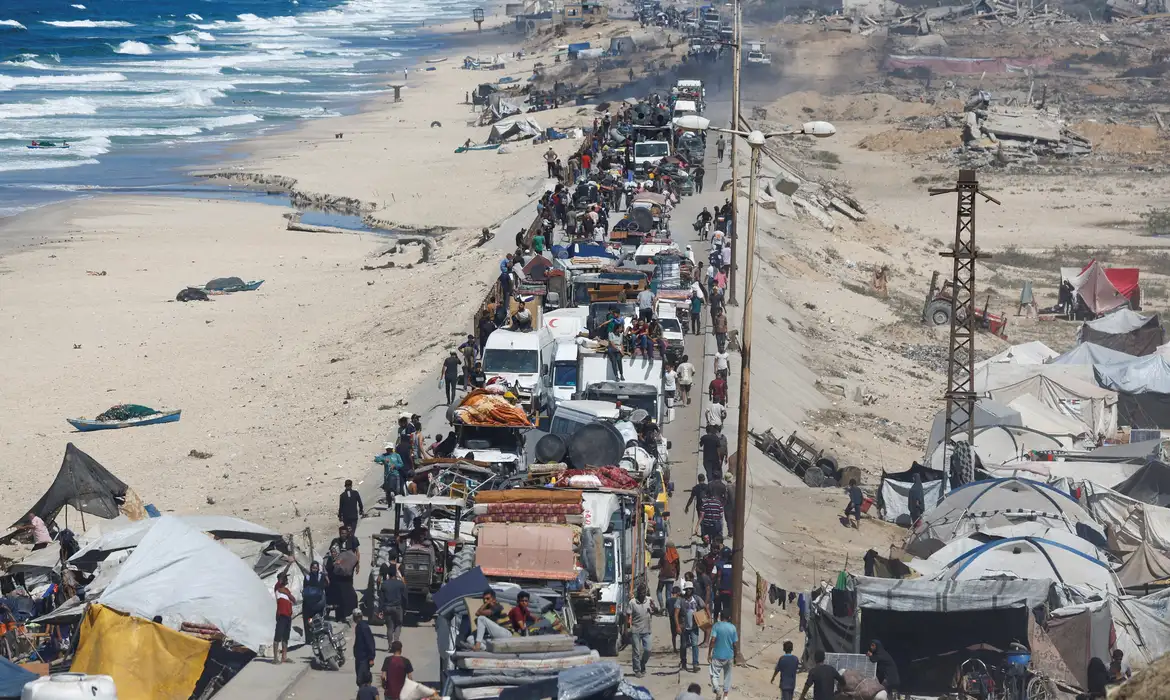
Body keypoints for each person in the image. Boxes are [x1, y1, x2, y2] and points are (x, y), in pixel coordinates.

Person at [329, 525, 361, 621]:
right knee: (338, 595)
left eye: (344, 533)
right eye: (341, 533)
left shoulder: (352, 541)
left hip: (348, 573)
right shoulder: (335, 542)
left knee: (349, 593)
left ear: (347, 533)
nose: (343, 535)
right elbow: (332, 553)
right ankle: (339, 616)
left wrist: (357, 564)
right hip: (338, 573)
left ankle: (349, 613)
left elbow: (357, 553)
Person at [708, 609, 738, 700]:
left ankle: (717, 690)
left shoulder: (716, 626)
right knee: (727, 676)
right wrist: (735, 656)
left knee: (714, 675)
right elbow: (735, 644)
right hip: (729, 656)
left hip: (717, 655)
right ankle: (725, 696)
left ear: (720, 617)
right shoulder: (733, 628)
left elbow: (713, 640)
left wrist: (709, 653)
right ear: (729, 617)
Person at [677, 582, 704, 672]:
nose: (688, 590)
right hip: (684, 627)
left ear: (692, 589)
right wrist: (677, 625)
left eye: (690, 589)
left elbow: (704, 607)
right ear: (685, 590)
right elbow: (676, 613)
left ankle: (695, 664)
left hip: (694, 626)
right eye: (687, 589)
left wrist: (707, 618)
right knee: (683, 646)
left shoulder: (696, 598)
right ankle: (683, 663)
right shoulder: (681, 600)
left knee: (695, 645)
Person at [628, 588, 655, 677]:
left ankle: (642, 663)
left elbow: (656, 612)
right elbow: (627, 614)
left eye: (644, 593)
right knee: (636, 651)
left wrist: (653, 607)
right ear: (638, 593)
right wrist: (627, 627)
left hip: (647, 630)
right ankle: (637, 670)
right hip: (636, 630)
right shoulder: (632, 602)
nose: (642, 595)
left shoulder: (649, 600)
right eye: (640, 593)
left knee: (648, 650)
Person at [379, 563, 407, 644]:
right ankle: (396, 642)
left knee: (389, 627)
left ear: (388, 573)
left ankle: (390, 645)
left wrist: (380, 610)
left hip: (387, 608)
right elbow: (404, 596)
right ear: (395, 573)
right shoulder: (400, 584)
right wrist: (405, 607)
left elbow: (381, 599)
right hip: (398, 608)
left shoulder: (384, 584)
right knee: (398, 625)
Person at [273, 572, 295, 664]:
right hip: (281, 615)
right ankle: (275, 658)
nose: (286, 580)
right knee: (278, 636)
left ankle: (284, 657)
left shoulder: (286, 590)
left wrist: (287, 594)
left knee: (285, 637)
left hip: (288, 616)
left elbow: (294, 600)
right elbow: (281, 578)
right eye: (285, 578)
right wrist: (288, 565)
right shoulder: (277, 588)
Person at [302, 561, 329, 632]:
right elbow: (327, 584)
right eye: (313, 568)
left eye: (316, 568)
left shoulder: (308, 576)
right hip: (313, 604)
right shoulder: (317, 576)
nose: (314, 570)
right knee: (313, 620)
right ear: (311, 568)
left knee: (316, 620)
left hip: (316, 603)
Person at [353, 611, 377, 685]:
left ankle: (367, 691)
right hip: (359, 657)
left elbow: (370, 642)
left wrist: (371, 658)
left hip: (364, 658)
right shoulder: (359, 626)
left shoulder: (363, 627)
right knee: (360, 679)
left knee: (362, 679)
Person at [657, 540, 680, 609]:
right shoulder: (676, 556)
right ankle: (668, 609)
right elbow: (678, 567)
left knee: (659, 591)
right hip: (671, 577)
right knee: (668, 594)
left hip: (662, 577)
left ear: (667, 547)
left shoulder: (664, 555)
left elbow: (659, 565)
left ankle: (662, 607)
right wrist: (677, 575)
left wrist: (652, 567)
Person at [666, 585, 683, 652]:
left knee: (674, 635)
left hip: (672, 619)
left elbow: (667, 609)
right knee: (682, 634)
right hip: (679, 618)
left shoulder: (668, 600)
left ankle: (674, 648)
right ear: (678, 593)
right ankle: (682, 647)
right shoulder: (680, 600)